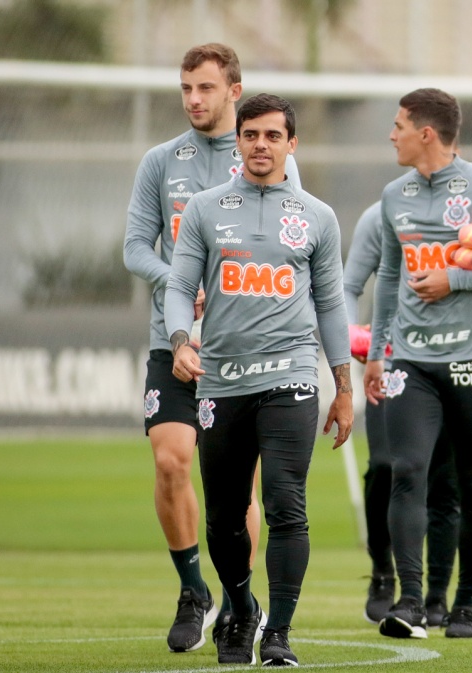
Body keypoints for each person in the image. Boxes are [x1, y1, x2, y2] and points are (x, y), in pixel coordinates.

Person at [164, 93, 352, 666]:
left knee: (285, 504)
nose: (262, 145)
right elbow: (177, 288)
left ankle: (280, 634)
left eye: (274, 136)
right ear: (239, 141)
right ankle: (242, 607)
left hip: (291, 375)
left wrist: (342, 386)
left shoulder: (318, 216)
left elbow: (332, 306)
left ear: (292, 143)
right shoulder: (203, 208)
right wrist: (179, 342)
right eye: (252, 135)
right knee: (223, 514)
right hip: (221, 380)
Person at [124, 43, 300, 653]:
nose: (194, 100)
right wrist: (179, 280)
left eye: (205, 88)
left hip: (242, 347)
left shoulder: (264, 150)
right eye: (186, 89)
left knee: (238, 489)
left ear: (233, 89)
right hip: (170, 336)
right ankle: (193, 588)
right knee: (171, 459)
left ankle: (238, 601)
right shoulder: (160, 161)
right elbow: (134, 247)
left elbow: (290, 237)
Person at [363, 88, 472, 640]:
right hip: (410, 362)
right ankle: (411, 601)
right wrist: (375, 354)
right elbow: (390, 278)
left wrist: (456, 278)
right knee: (405, 470)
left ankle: (465, 604)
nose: (390, 135)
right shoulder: (394, 196)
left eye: (398, 126)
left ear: (426, 133)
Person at [345, 201, 472, 628]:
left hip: (462, 361)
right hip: (397, 362)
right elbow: (350, 287)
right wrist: (352, 340)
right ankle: (385, 573)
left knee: (447, 482)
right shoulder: (382, 212)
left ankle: (436, 596)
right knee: (388, 467)